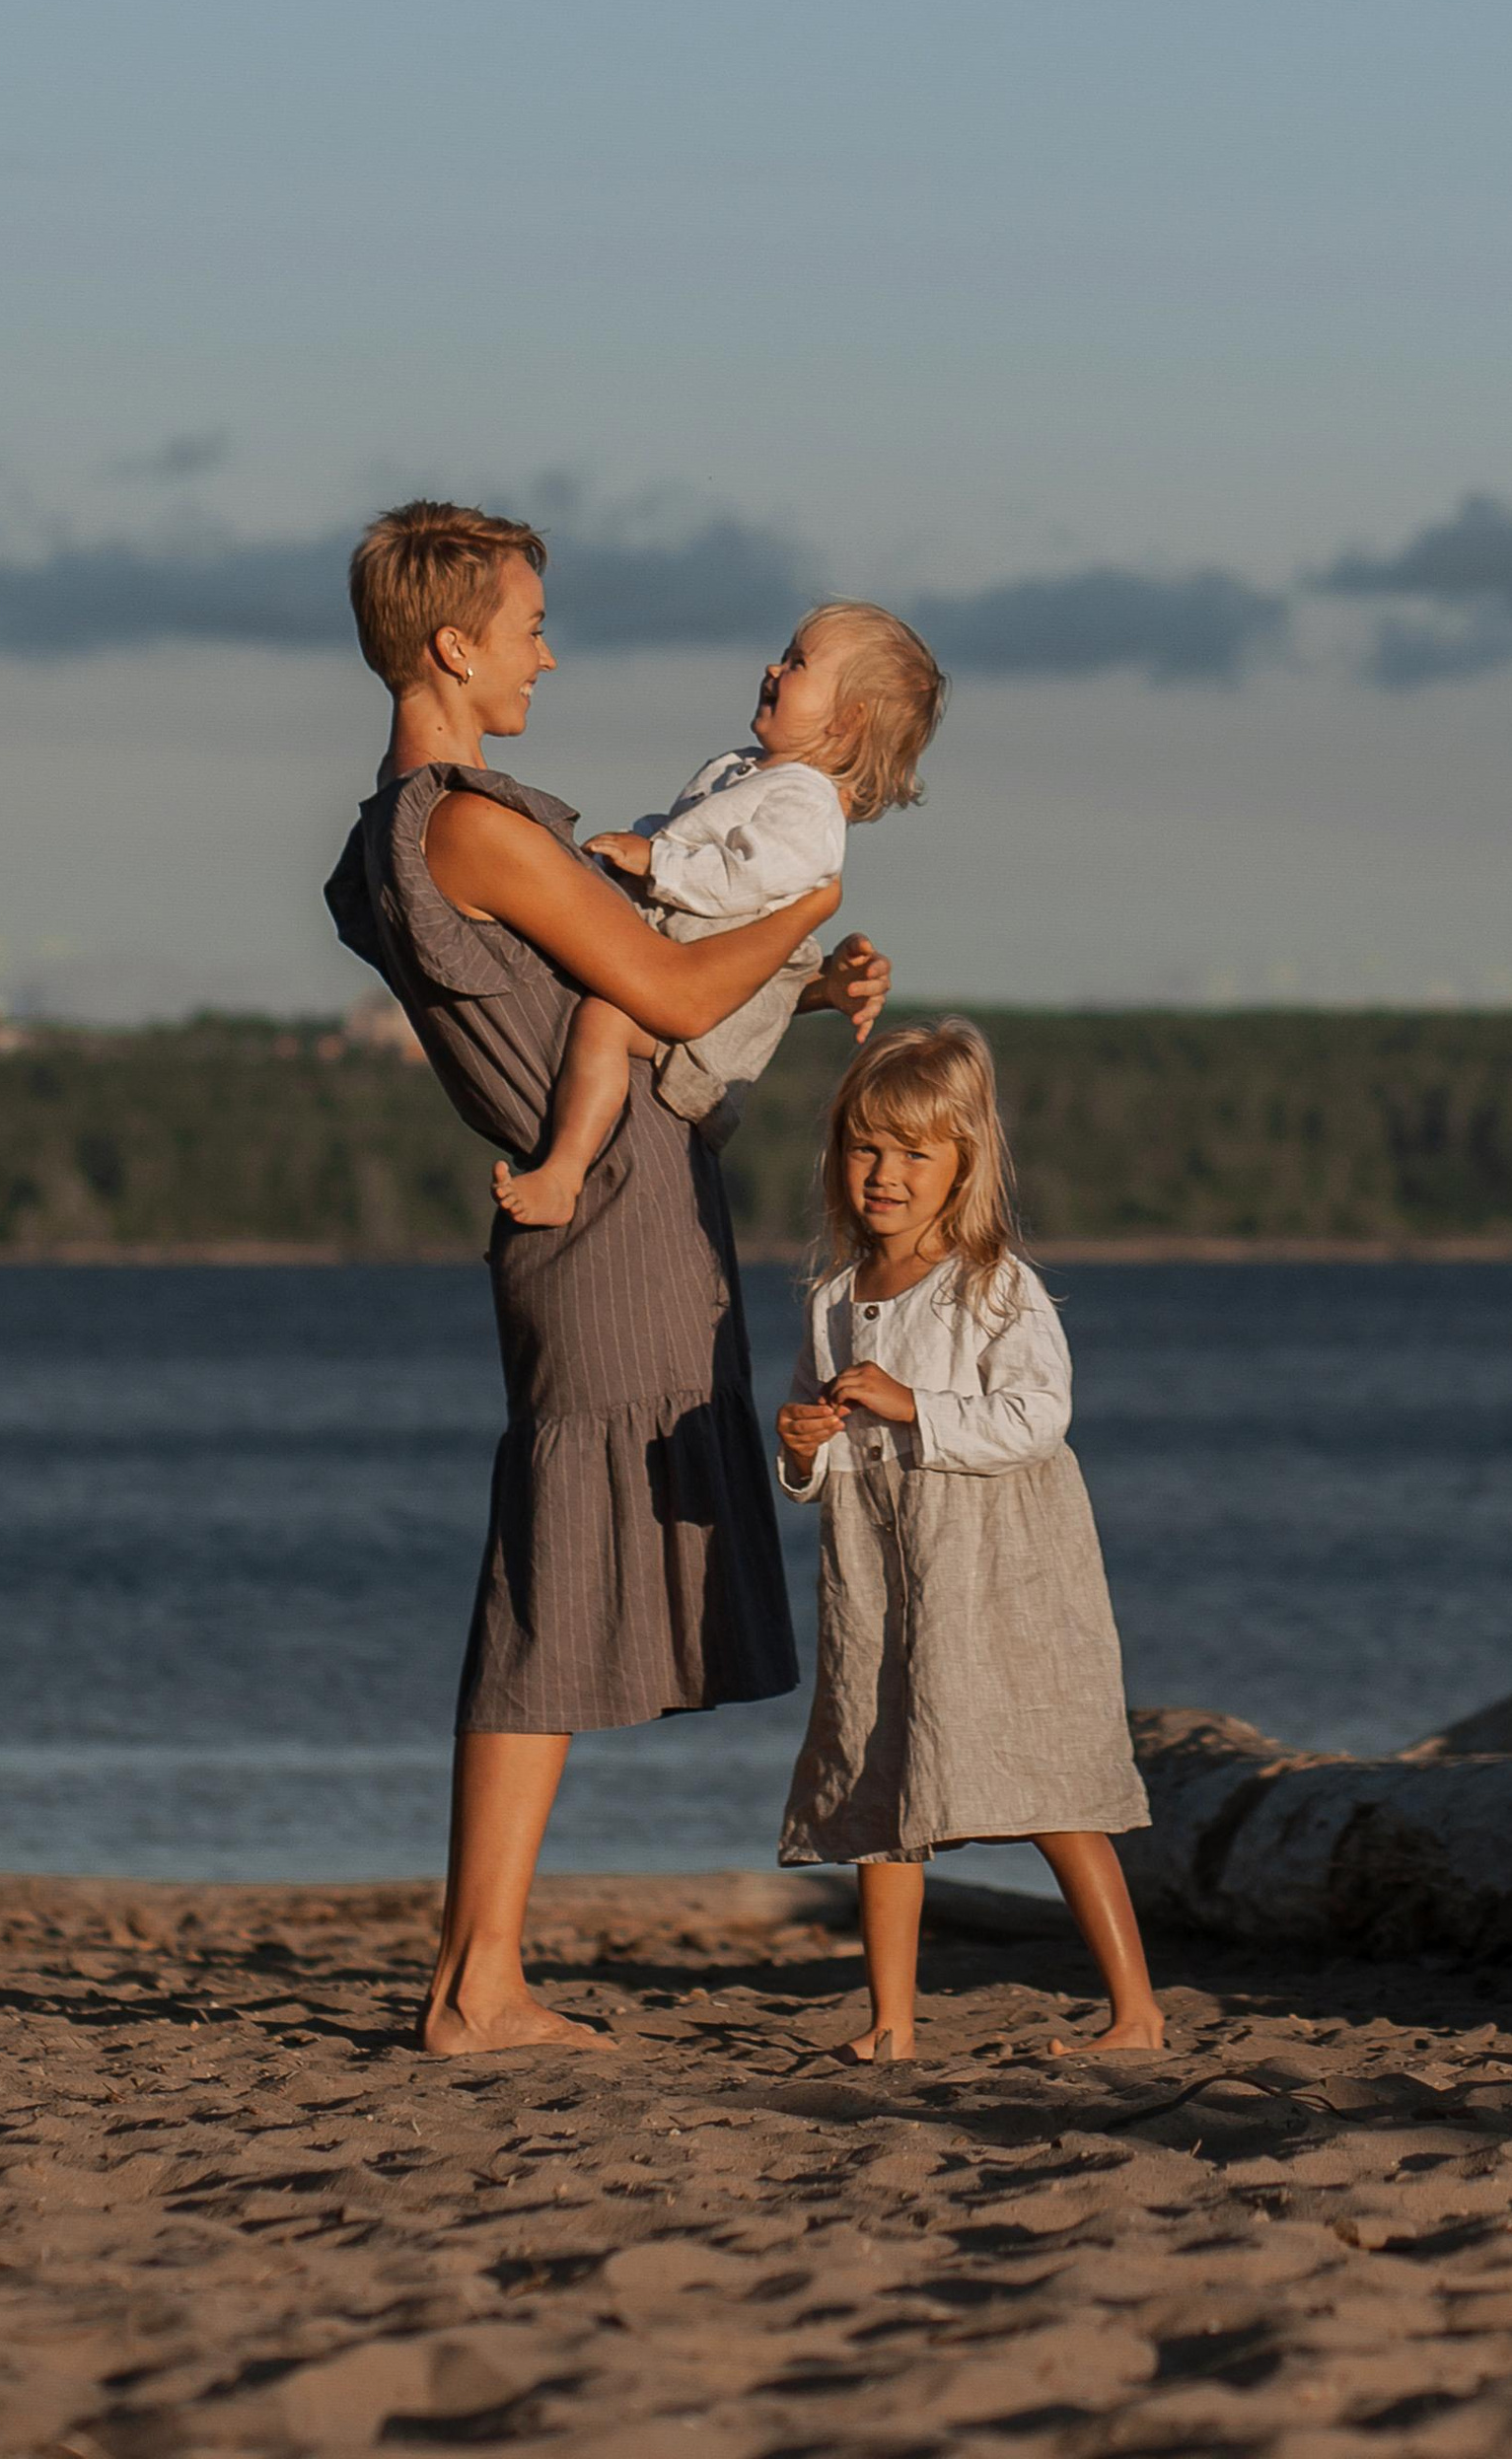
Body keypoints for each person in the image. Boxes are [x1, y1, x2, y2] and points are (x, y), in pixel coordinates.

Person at [324, 499, 889, 2058]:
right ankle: (478, 1982)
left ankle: (481, 1972)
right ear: (452, 643)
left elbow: (642, 998)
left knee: (560, 1564)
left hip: (596, 1199)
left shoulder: (391, 830)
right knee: (553, 1574)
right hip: (611, 1213)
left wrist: (782, 961)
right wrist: (807, 901)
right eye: (526, 629)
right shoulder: (474, 825)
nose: (545, 656)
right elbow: (668, 981)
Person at [774, 1018, 1164, 2061]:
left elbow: (1038, 1418)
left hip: (990, 1562)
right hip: (875, 1568)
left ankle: (1134, 2011)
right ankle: (890, 2022)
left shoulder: (994, 1285)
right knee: (878, 1777)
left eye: (913, 1153)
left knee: (1044, 1770)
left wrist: (914, 1407)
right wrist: (804, 1445)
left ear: (962, 1168)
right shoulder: (831, 1301)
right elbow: (821, 1467)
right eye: (866, 1148)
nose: (885, 1174)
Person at [492, 601, 945, 1228]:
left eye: (797, 664)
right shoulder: (741, 769)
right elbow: (686, 832)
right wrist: (628, 850)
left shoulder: (809, 807)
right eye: (784, 654)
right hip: (681, 957)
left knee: (603, 1022)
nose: (773, 668)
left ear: (847, 720)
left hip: (716, 1014)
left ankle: (564, 1174)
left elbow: (740, 878)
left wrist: (653, 861)